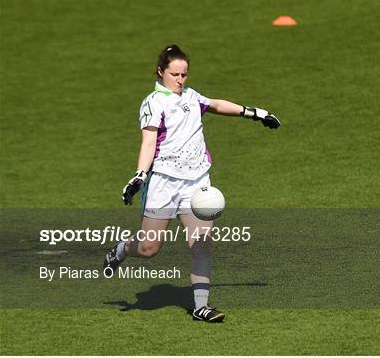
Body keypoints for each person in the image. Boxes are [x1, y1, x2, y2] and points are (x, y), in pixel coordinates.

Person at [103, 44, 280, 323]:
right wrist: (139, 176)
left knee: (201, 245)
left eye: (184, 74)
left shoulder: (191, 96)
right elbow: (149, 142)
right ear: (161, 72)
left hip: (197, 182)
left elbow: (216, 105)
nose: (180, 80)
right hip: (163, 182)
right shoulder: (154, 102)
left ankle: (201, 307)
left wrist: (255, 113)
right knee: (150, 249)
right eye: (175, 74)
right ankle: (122, 249)